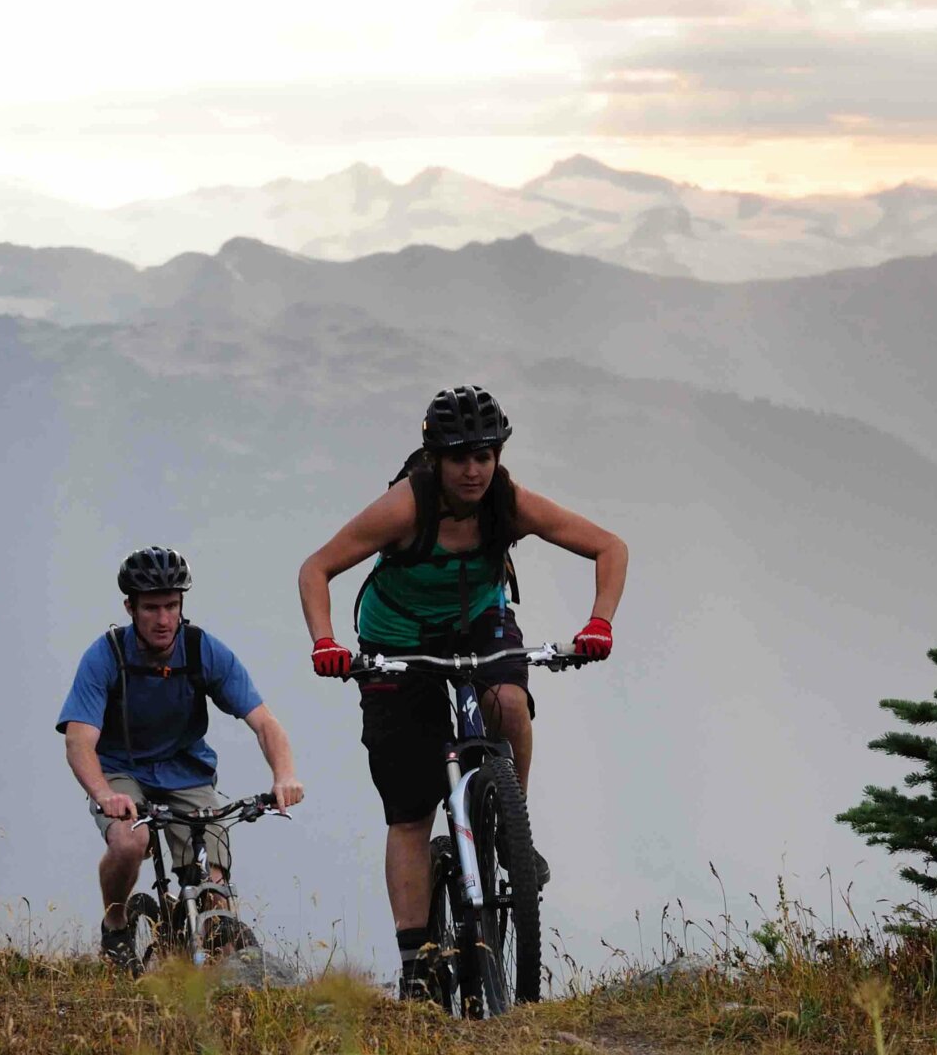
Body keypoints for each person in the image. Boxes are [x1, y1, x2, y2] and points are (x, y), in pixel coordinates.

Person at [297, 384, 626, 999]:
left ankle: (510, 832)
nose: (474, 469)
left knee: (508, 704)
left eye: (485, 454)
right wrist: (326, 642)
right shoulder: (404, 507)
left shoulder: (508, 502)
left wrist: (599, 621)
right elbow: (316, 568)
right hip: (397, 639)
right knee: (411, 809)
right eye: (459, 457)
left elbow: (610, 547)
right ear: (435, 459)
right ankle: (416, 967)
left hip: (480, 621)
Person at [59, 546, 304, 974]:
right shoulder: (106, 657)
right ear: (130, 608)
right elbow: (79, 740)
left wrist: (284, 777)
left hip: (186, 772)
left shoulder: (202, 650)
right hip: (120, 770)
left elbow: (265, 723)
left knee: (214, 884)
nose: (163, 619)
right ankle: (116, 925)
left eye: (171, 606)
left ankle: (222, 976)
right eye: (151, 608)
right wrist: (103, 795)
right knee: (130, 842)